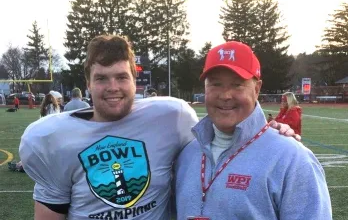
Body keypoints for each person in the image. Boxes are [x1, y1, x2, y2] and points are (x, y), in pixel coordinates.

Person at [19, 35, 300, 220]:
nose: (113, 87)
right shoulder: (51, 138)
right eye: (102, 79)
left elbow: (219, 135)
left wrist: (268, 134)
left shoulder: (171, 116)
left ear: (134, 80)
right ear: (88, 82)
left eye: (121, 77)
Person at [175, 41, 332, 220]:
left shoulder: (293, 159)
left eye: (237, 85)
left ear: (256, 89)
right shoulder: (186, 154)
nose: (225, 95)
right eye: (216, 84)